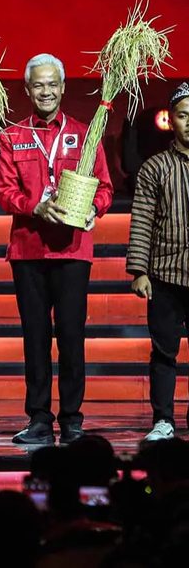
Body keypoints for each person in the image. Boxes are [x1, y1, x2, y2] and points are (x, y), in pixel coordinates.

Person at [0, 54, 113, 446]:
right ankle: (40, 418)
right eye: (37, 86)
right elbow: (4, 190)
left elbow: (105, 187)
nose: (45, 91)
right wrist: (35, 206)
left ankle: (73, 420)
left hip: (72, 251)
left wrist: (92, 209)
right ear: (27, 90)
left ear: (63, 88)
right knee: (35, 337)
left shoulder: (85, 134)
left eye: (52, 84)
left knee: (71, 337)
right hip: (28, 251)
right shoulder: (12, 136)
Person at [127, 82, 189, 442]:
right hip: (165, 276)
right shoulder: (155, 168)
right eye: (183, 116)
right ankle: (163, 419)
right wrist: (139, 270)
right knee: (164, 353)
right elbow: (141, 220)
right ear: (172, 121)